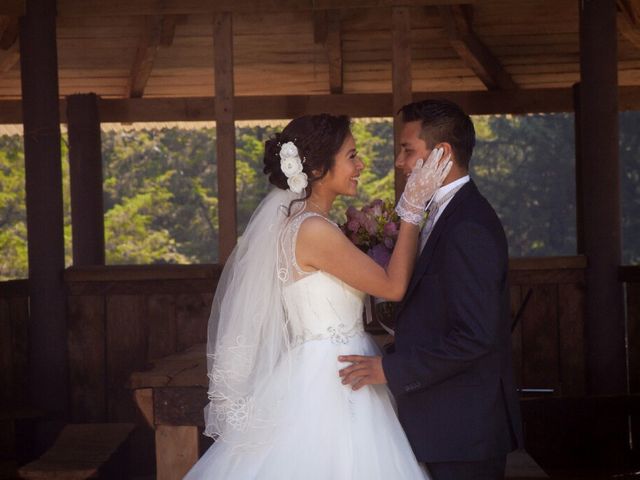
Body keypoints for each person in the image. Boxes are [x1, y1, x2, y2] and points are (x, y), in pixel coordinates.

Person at [183, 113, 451, 479]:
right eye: (352, 155)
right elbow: (392, 287)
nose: (361, 165)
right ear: (319, 167)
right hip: (334, 377)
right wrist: (410, 211)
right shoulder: (313, 230)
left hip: (332, 365)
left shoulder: (305, 224)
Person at [338, 99, 524, 480]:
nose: (400, 162)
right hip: (443, 425)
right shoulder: (442, 213)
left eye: (408, 149)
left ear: (441, 153)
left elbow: (476, 337)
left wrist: (390, 368)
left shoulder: (468, 225)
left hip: (464, 431)